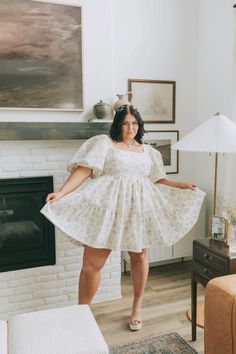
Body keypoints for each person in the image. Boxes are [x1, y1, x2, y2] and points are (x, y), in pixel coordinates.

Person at [41, 104, 205, 331]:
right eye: (126, 123)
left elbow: (156, 179)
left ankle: (137, 306)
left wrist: (180, 184)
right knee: (91, 264)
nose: (130, 128)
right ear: (118, 124)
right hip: (108, 207)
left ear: (140, 126)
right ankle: (82, 311)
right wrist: (61, 192)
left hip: (138, 207)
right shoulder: (104, 143)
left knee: (139, 256)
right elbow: (83, 170)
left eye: (135, 123)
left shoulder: (149, 152)